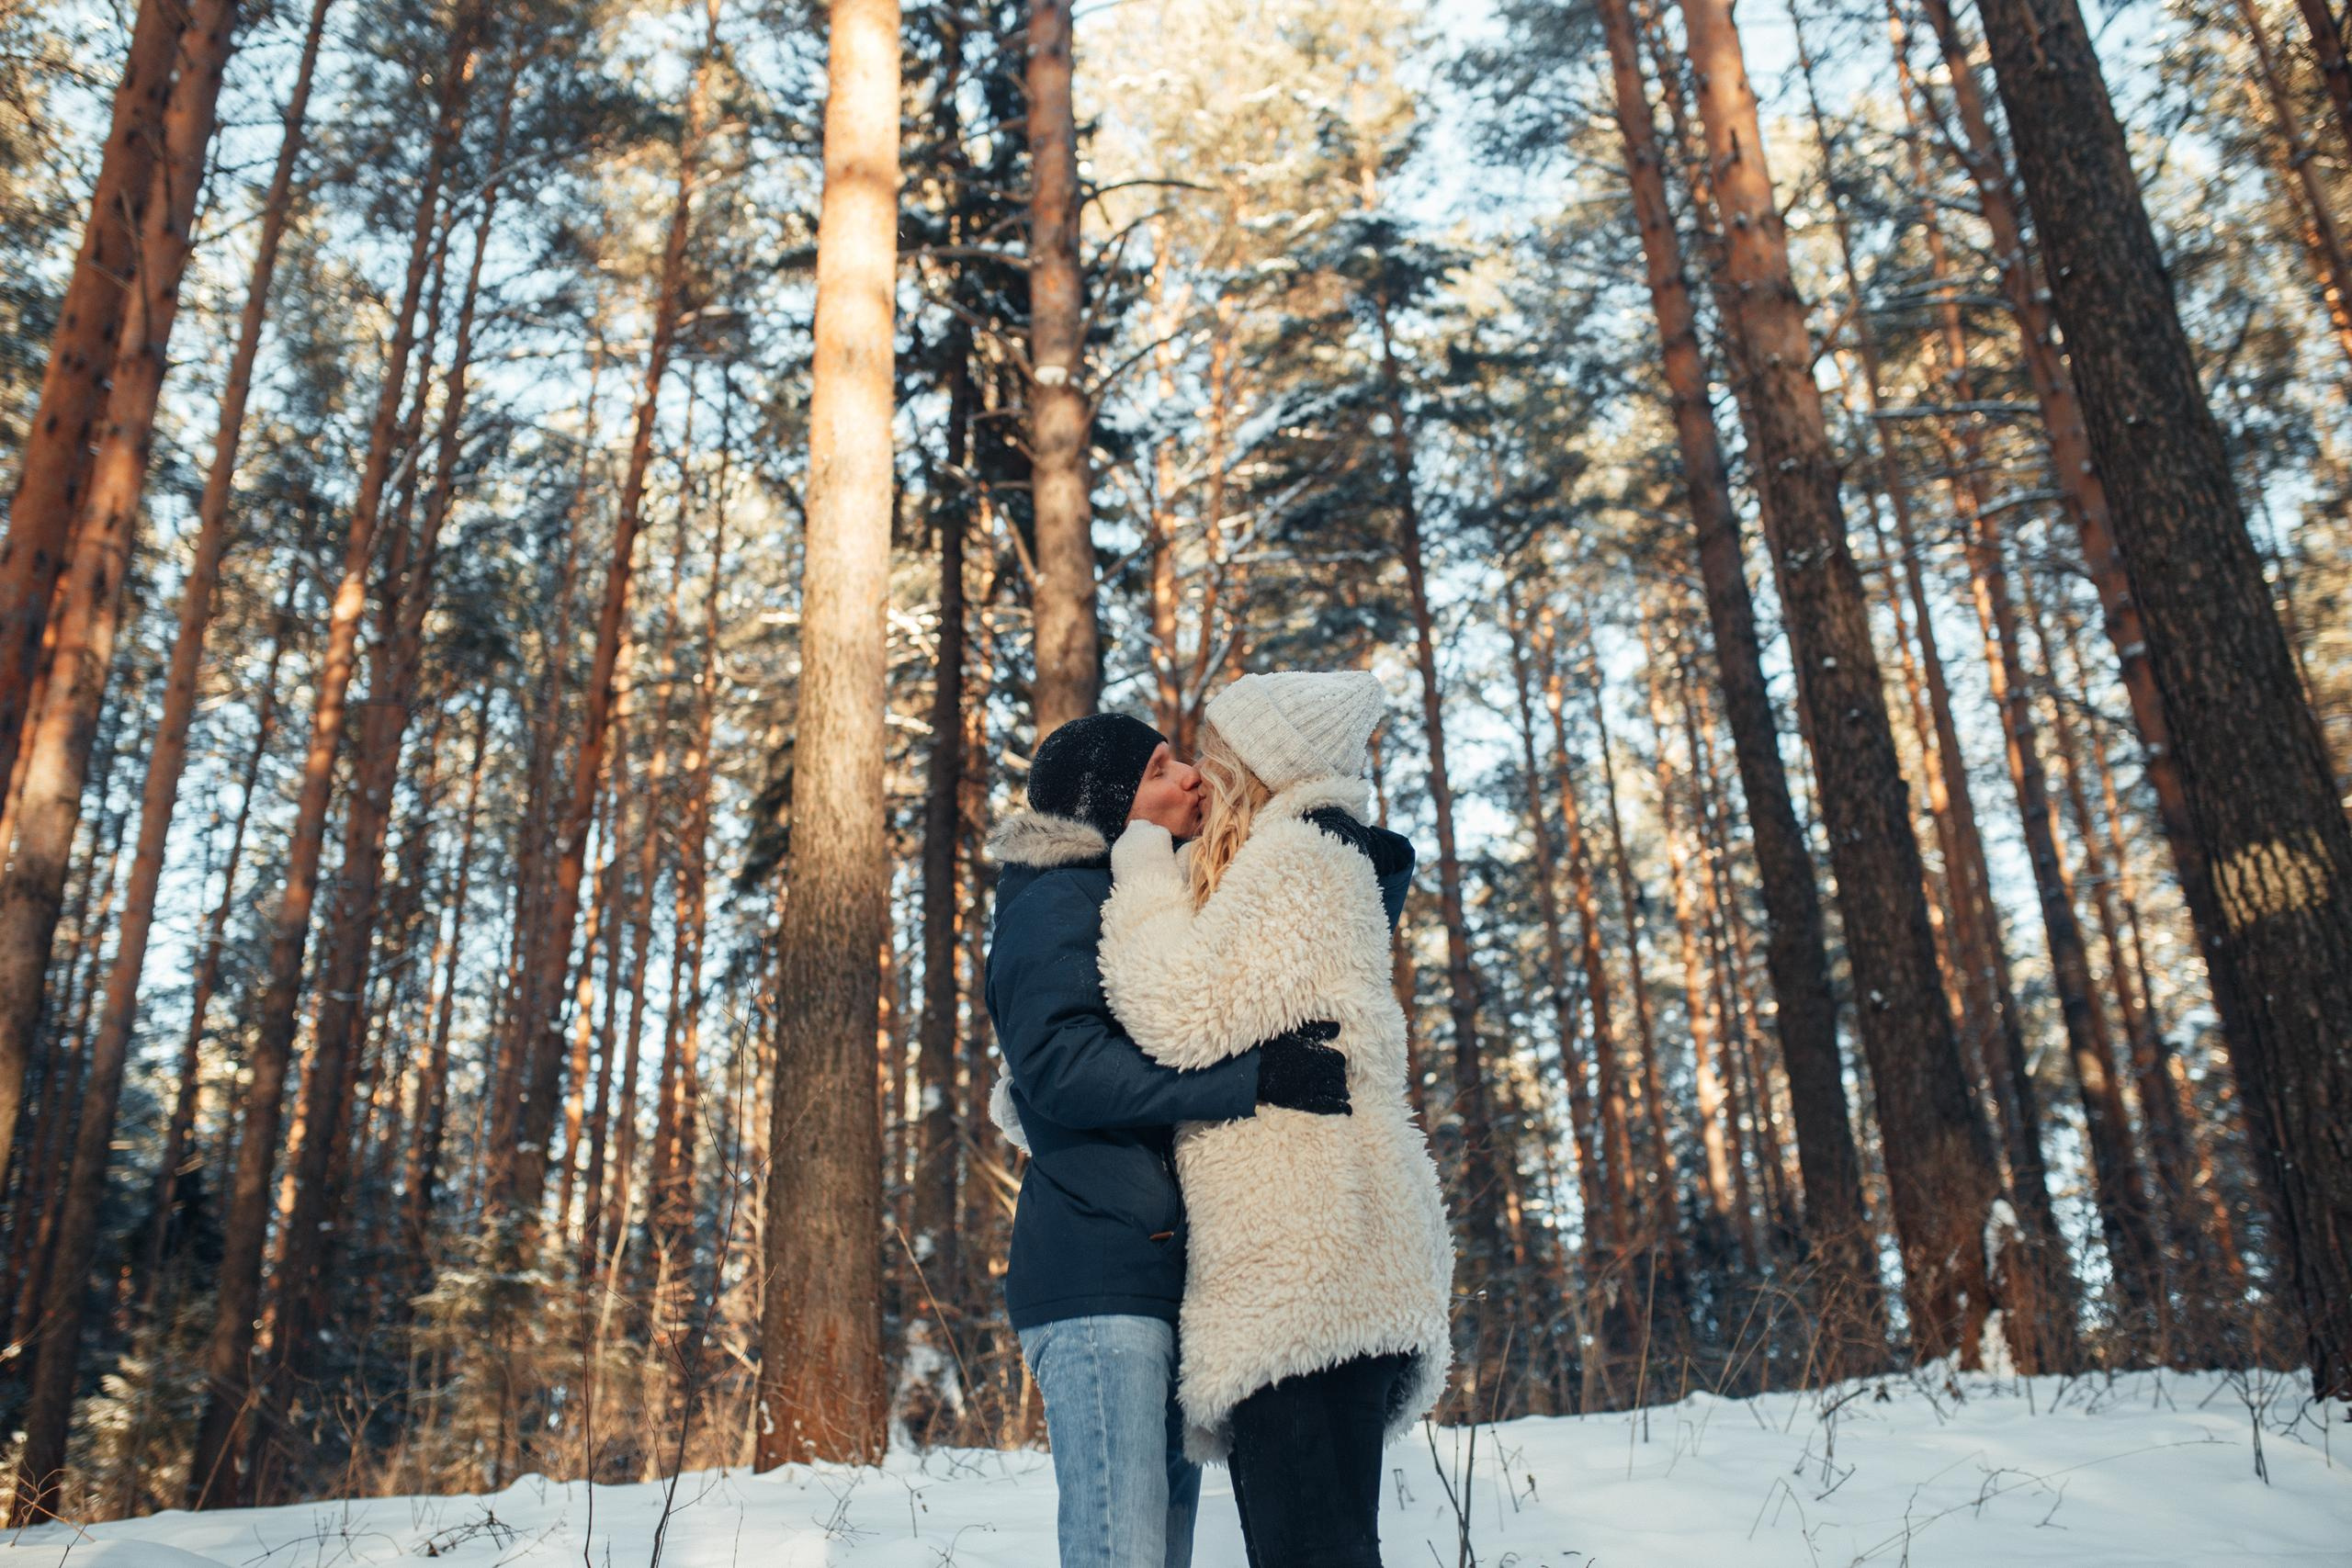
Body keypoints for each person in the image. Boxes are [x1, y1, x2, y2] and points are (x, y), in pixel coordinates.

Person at [982, 711, 1410, 1568]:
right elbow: (1062, 1067)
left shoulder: (1150, 890)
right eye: (1157, 770)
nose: (1190, 776)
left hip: (1170, 1276)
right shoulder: (1056, 898)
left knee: (1161, 1548)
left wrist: (1355, 843)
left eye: (1180, 759)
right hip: (1099, 1281)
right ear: (1109, 805)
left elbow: (1303, 936)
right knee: (1123, 1549)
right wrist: (1247, 1081)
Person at [1096, 671, 1454, 1568]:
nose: (1204, 772)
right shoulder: (1321, 856)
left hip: (1304, 1265)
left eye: (1219, 753)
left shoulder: (1296, 858)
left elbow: (1174, 1006)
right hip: (1342, 1254)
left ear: (1263, 763)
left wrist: (1140, 862)